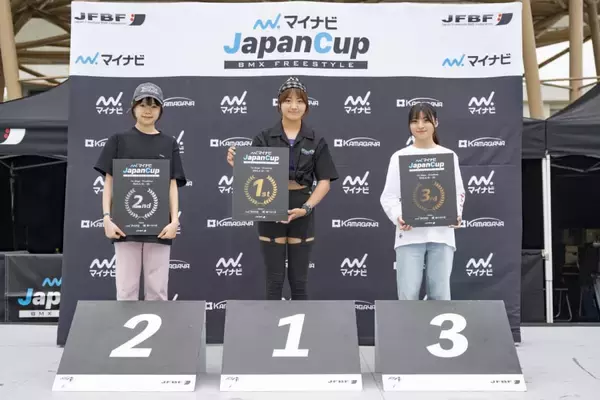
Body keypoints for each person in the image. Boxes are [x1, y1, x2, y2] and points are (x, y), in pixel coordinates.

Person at [227, 77, 338, 300]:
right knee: (274, 281)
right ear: (279, 104)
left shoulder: (316, 140)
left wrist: (306, 208)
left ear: (307, 105)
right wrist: (236, 164)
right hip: (269, 206)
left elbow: (325, 181)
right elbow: (252, 176)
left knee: (299, 283)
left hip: (302, 208)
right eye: (288, 100)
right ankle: (272, 325)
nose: (294, 106)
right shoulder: (264, 138)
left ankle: (301, 323)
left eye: (299, 101)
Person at [94, 82, 187, 301]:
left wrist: (174, 221)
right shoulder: (118, 140)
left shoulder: (169, 143)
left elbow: (172, 185)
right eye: (143, 104)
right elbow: (109, 182)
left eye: (154, 106)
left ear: (161, 110)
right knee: (126, 291)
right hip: (124, 228)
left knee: (158, 291)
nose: (148, 110)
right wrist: (106, 218)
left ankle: (157, 326)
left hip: (160, 228)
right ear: (133, 107)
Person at [380, 102, 465, 301]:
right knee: (407, 296)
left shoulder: (448, 156)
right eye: (414, 121)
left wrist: (456, 213)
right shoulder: (400, 157)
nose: (420, 125)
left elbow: (458, 193)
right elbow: (388, 196)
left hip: (442, 234)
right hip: (410, 235)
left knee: (440, 296)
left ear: (436, 122)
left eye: (426, 120)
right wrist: (399, 216)